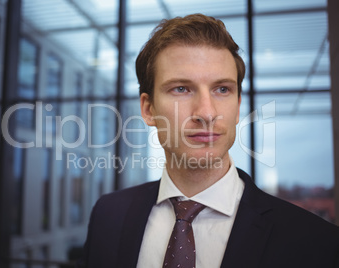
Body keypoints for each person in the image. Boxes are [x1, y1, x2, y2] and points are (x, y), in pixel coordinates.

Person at [81, 14, 339, 268]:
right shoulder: (108, 215)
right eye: (181, 88)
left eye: (222, 89)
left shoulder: (316, 242)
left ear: (237, 108)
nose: (206, 112)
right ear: (148, 109)